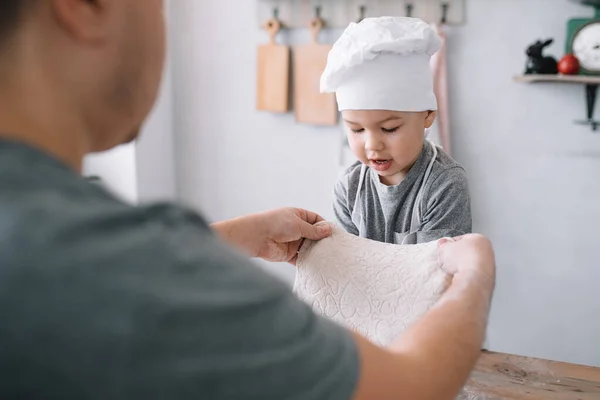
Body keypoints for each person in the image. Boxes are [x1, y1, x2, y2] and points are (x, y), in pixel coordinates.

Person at [0, 1, 496, 399]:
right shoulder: (134, 269)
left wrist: (232, 237)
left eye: (388, 127)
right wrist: (475, 276)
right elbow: (410, 387)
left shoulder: (67, 254)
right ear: (83, 6)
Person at [322, 17, 472, 245]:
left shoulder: (445, 184)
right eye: (356, 129)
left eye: (389, 128)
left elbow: (435, 272)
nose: (372, 145)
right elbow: (346, 265)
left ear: (428, 115)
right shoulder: (349, 187)